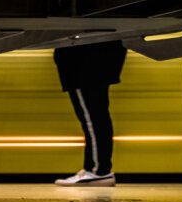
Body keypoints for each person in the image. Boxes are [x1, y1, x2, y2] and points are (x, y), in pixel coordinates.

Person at [53, 39, 127, 187]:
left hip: (83, 60)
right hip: (96, 56)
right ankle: (96, 168)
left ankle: (98, 171)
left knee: (92, 118)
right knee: (96, 115)